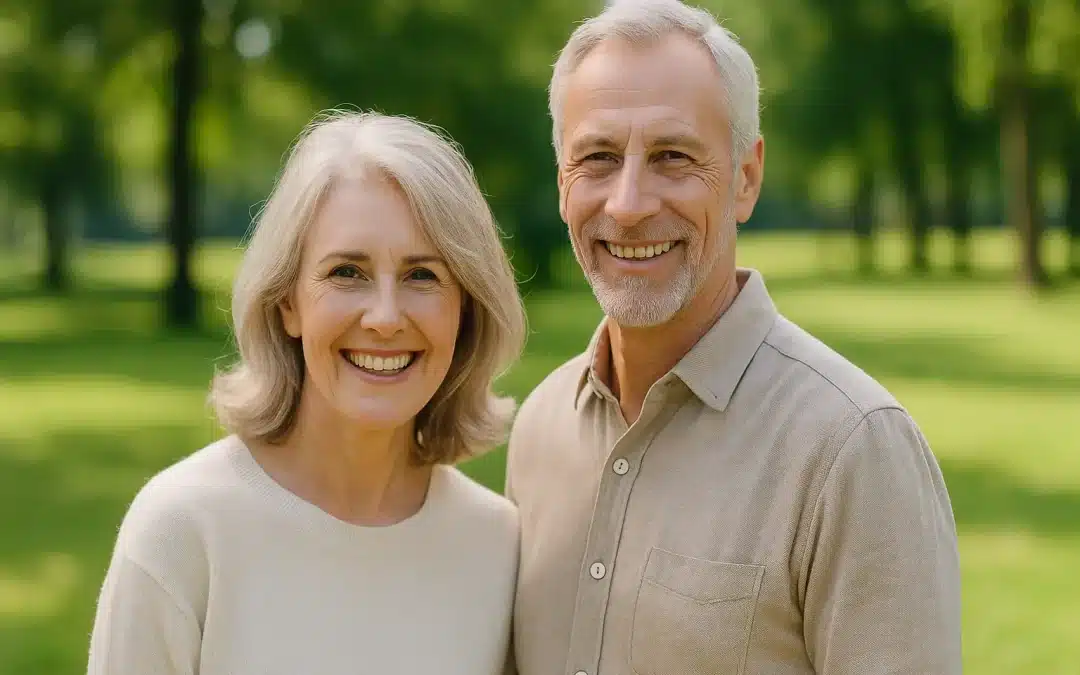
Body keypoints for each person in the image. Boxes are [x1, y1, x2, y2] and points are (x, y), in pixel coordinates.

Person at [504, 1, 962, 674]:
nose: (628, 204)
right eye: (598, 157)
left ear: (746, 178)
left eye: (673, 156)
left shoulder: (853, 450)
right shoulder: (539, 428)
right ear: (561, 182)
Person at [88, 111, 526, 675]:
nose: (386, 317)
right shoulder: (182, 530)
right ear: (288, 302)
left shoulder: (497, 545)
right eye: (347, 272)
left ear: (464, 309)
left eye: (423, 276)